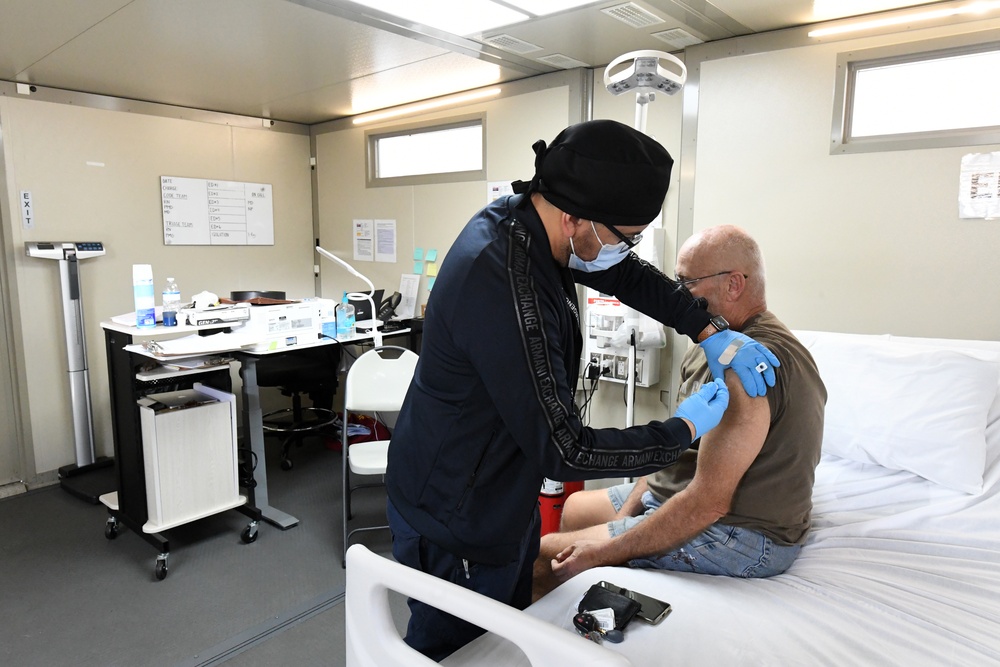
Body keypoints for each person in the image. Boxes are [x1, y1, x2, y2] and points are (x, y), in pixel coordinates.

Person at [384, 120, 780, 661]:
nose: (629, 251)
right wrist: (680, 430)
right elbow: (565, 447)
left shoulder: (541, 227)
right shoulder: (502, 281)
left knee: (503, 625)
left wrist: (706, 328)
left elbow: (626, 275)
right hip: (456, 508)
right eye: (627, 237)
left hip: (498, 480)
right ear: (575, 218)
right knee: (457, 650)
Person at [534, 225, 827, 597]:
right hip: (682, 493)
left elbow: (709, 502)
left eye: (685, 282)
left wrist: (608, 549)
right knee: (575, 507)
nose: (675, 295)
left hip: (741, 532)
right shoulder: (710, 340)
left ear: (733, 284)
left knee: (544, 558)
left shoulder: (748, 368)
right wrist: (626, 521)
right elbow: (676, 449)